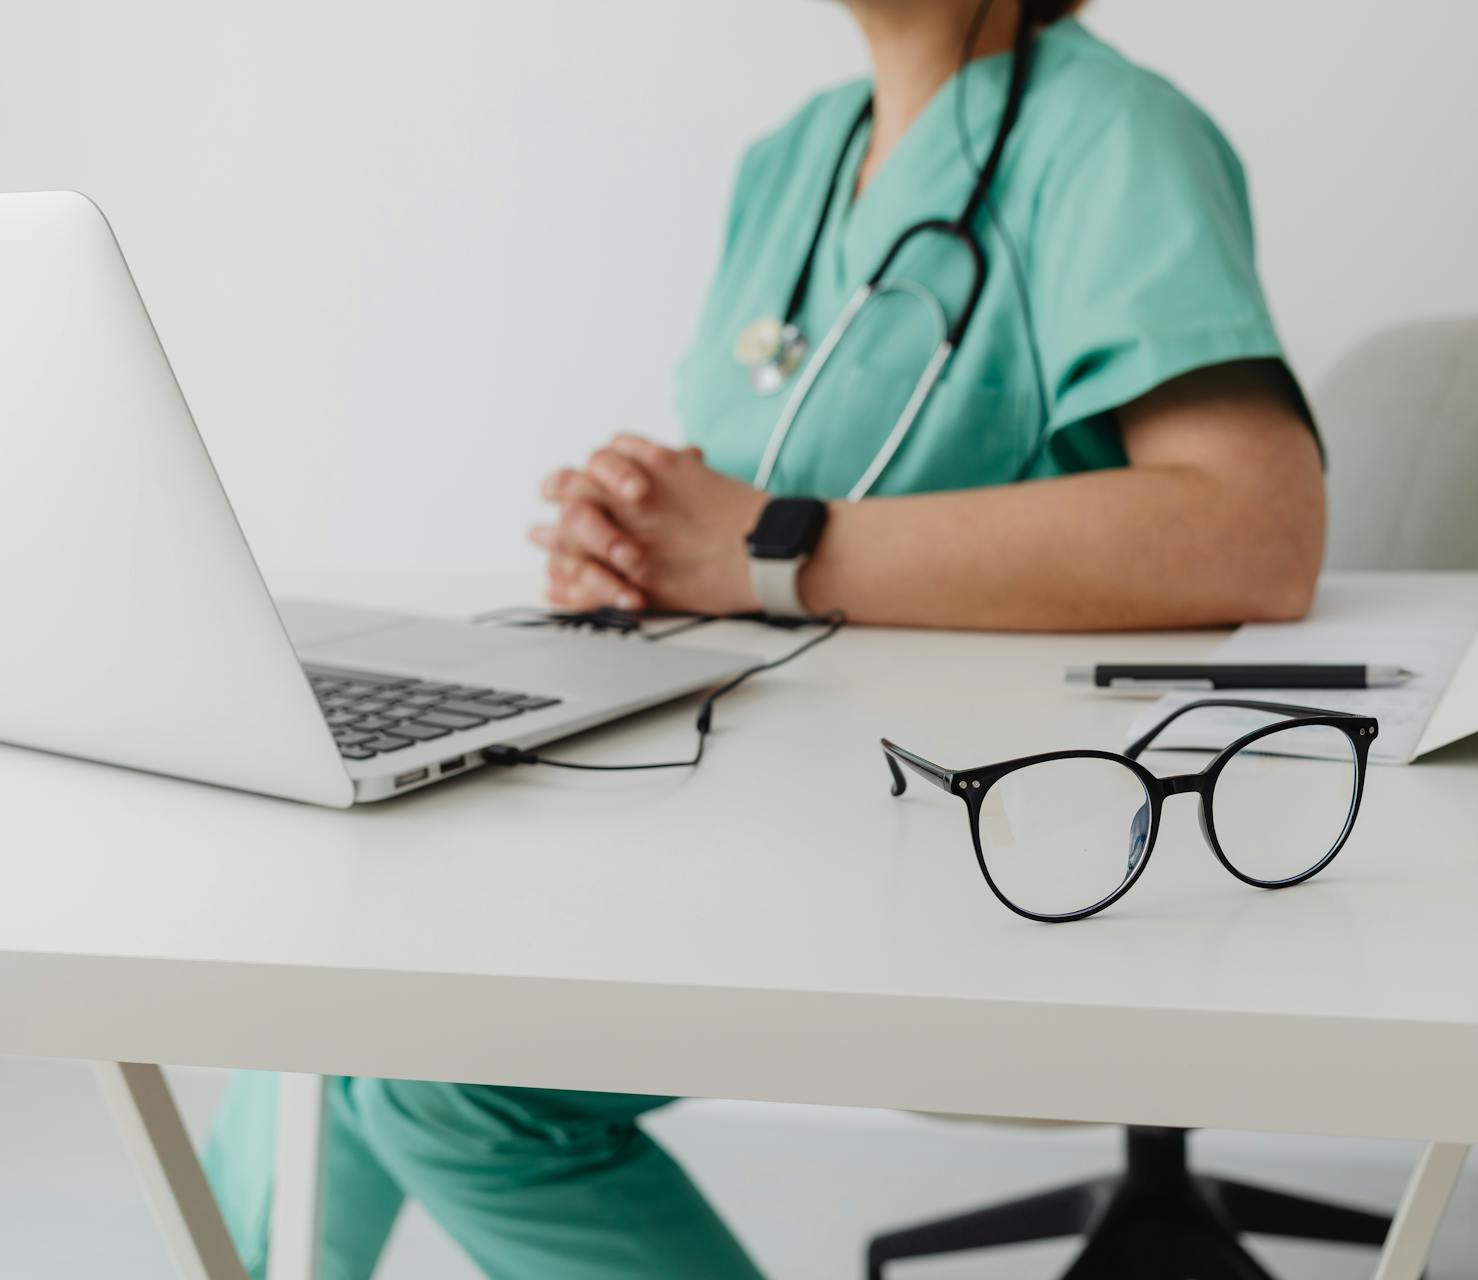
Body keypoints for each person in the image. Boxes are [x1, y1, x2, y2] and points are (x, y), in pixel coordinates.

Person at [203, 1, 1326, 1276]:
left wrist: (760, 544)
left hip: (996, 836)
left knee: (445, 1081)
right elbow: (761, 507)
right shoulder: (794, 158)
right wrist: (642, 549)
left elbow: (1253, 534)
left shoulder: (1117, 135)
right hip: (779, 788)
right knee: (361, 978)